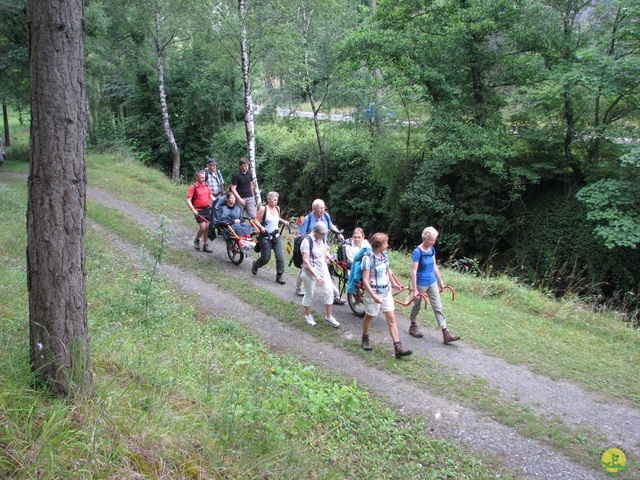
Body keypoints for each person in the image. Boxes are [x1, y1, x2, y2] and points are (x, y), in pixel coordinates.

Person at [360, 232, 412, 358]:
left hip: (386, 291)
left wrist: (394, 283)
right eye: (385, 243)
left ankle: (397, 346)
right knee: (370, 316)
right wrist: (373, 296)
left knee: (391, 318)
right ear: (379, 245)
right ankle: (365, 338)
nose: (387, 245)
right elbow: (365, 280)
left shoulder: (384, 255)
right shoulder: (368, 258)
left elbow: (387, 270)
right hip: (374, 292)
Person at [409, 226, 460, 343]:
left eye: (434, 240)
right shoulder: (418, 252)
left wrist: (440, 282)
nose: (432, 242)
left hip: (432, 282)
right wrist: (415, 289)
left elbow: (434, 266)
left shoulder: (431, 250)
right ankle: (413, 324)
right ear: (424, 238)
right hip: (421, 282)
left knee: (438, 306)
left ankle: (445, 332)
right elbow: (413, 271)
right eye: (430, 240)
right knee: (417, 305)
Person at [295, 198, 345, 304]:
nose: (322, 210)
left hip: (323, 247)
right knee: (305, 266)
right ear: (314, 209)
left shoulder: (326, 216)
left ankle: (335, 294)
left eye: (323, 208)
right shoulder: (308, 219)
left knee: (327, 268)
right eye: (320, 208)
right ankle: (299, 286)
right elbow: (300, 234)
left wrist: (338, 234)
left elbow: (331, 226)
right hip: (310, 247)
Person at [300, 222, 340, 328]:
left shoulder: (321, 238)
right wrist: (316, 276)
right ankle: (308, 316)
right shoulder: (307, 241)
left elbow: (324, 251)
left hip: (323, 269)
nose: (324, 236)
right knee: (309, 294)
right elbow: (305, 261)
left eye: (324, 234)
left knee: (329, 292)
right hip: (309, 273)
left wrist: (330, 258)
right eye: (322, 234)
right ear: (316, 232)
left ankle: (329, 316)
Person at [252, 191, 289, 284]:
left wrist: (283, 221)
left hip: (276, 236)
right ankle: (256, 264)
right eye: (274, 200)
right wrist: (261, 227)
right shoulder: (263, 209)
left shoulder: (277, 208)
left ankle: (279, 275)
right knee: (266, 258)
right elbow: (255, 220)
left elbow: (276, 218)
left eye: (277, 200)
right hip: (265, 237)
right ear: (268, 200)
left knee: (280, 257)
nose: (276, 202)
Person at [186, 171, 214, 253]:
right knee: (203, 227)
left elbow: (210, 195)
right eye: (201, 177)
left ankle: (206, 245)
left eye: (204, 177)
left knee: (208, 227)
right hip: (198, 210)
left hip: (207, 209)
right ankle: (197, 239)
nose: (203, 178)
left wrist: (217, 203)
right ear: (197, 178)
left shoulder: (207, 185)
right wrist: (193, 210)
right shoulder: (193, 187)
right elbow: (188, 199)